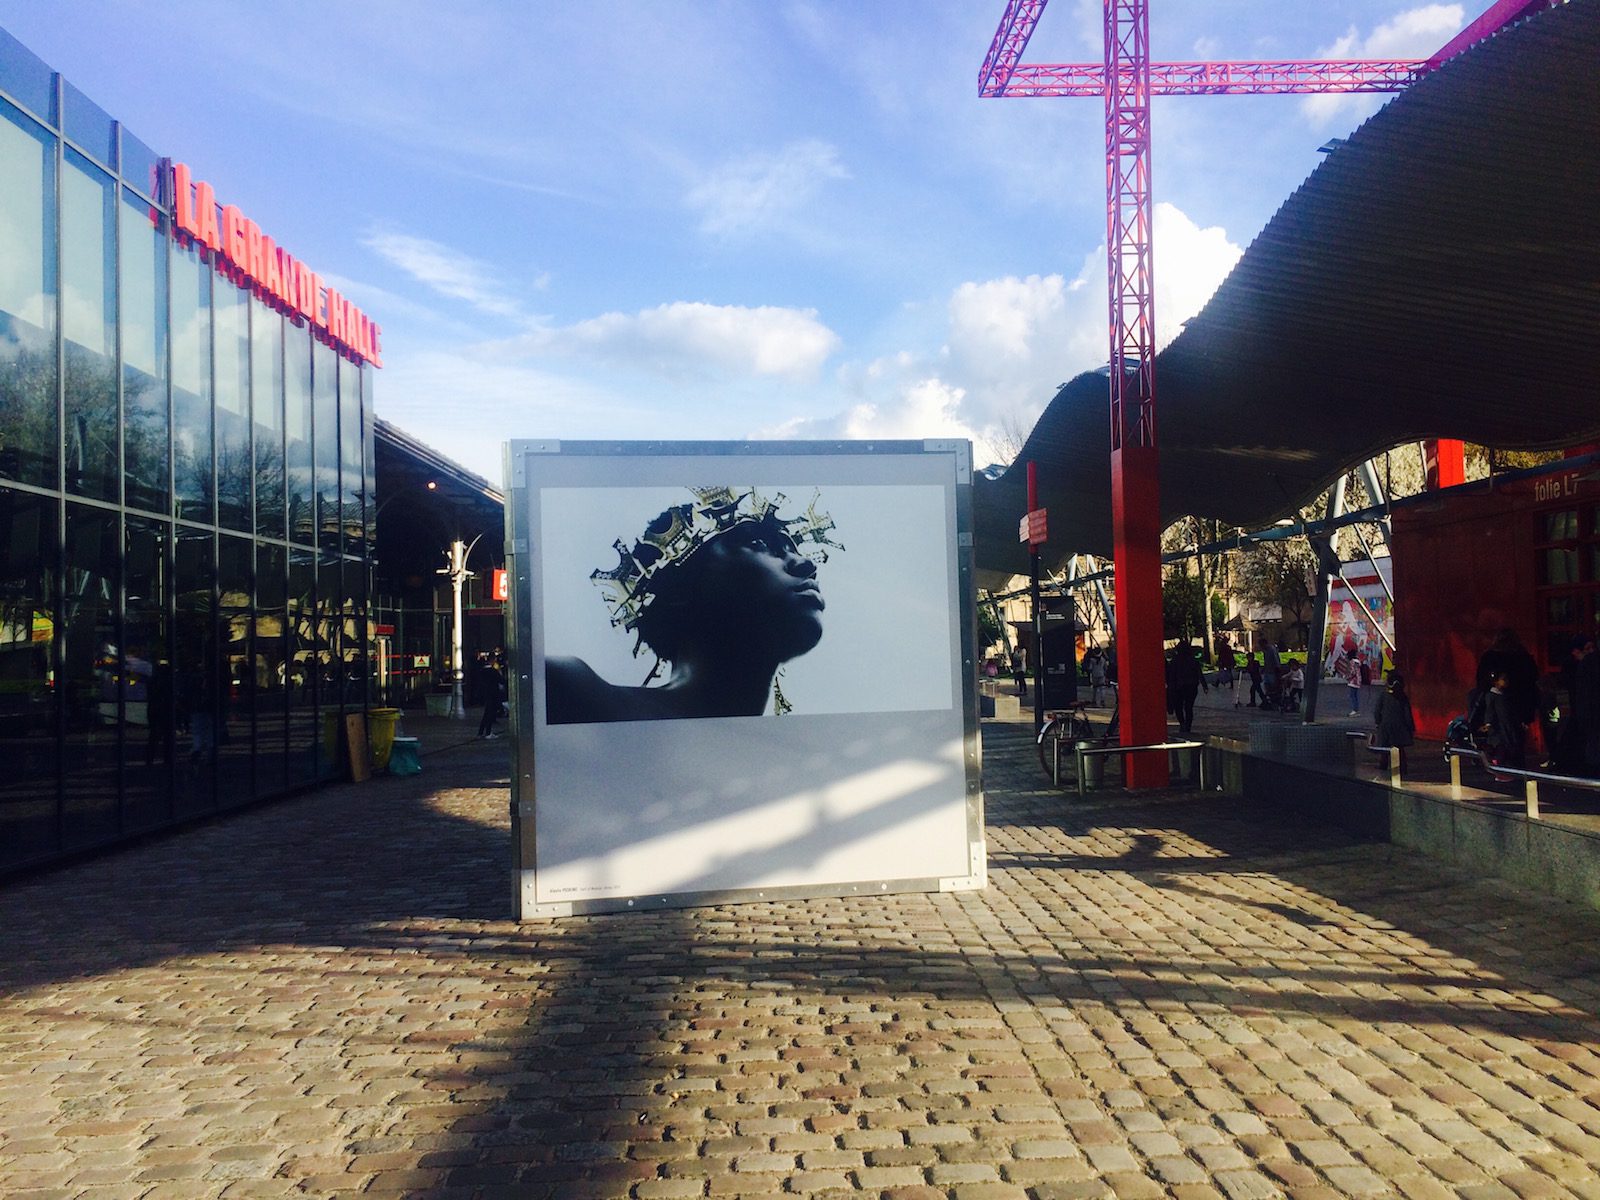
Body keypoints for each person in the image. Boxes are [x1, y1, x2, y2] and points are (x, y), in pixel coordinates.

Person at [547, 486, 842, 724]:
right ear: (678, 589)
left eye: (793, 549)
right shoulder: (570, 694)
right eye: (760, 544)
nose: (805, 564)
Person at [1477, 667, 1525, 769]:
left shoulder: (1506, 695)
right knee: (1501, 747)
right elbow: (1490, 711)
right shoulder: (1491, 696)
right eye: (1503, 679)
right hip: (1499, 727)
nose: (1506, 681)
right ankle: (1499, 768)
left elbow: (1511, 712)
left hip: (1507, 726)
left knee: (1510, 746)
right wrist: (1488, 724)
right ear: (1496, 681)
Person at [1372, 673, 1415, 771]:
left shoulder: (1384, 695)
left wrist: (1378, 722)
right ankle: (1403, 768)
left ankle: (1383, 766)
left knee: (1384, 748)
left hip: (1385, 725)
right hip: (1400, 726)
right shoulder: (1403, 697)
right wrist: (1410, 727)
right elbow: (1407, 714)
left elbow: (1377, 711)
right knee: (1400, 749)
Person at [1165, 637, 1203, 735]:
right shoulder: (1193, 660)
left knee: (1179, 706)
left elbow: (1171, 674)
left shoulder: (1175, 661)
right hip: (1191, 686)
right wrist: (1204, 685)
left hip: (1179, 687)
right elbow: (1199, 673)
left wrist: (1170, 686)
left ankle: (1182, 723)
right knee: (1188, 707)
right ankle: (1188, 725)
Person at [477, 653, 506, 738]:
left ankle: (481, 732)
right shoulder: (493, 671)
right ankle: (488, 732)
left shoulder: (482, 671)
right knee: (490, 713)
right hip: (493, 694)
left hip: (485, 693)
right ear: (493, 660)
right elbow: (502, 681)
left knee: (486, 713)